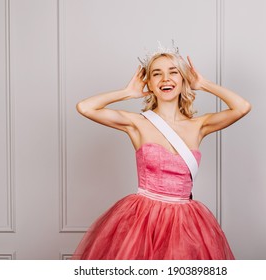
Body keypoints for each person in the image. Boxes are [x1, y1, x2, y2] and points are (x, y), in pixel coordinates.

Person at [71, 42, 251, 260]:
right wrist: (127, 93)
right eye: (157, 74)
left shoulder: (199, 126)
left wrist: (203, 84)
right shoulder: (137, 123)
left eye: (173, 72)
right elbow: (85, 107)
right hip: (143, 220)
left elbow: (242, 107)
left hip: (185, 222)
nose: (165, 78)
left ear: (183, 79)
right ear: (150, 84)